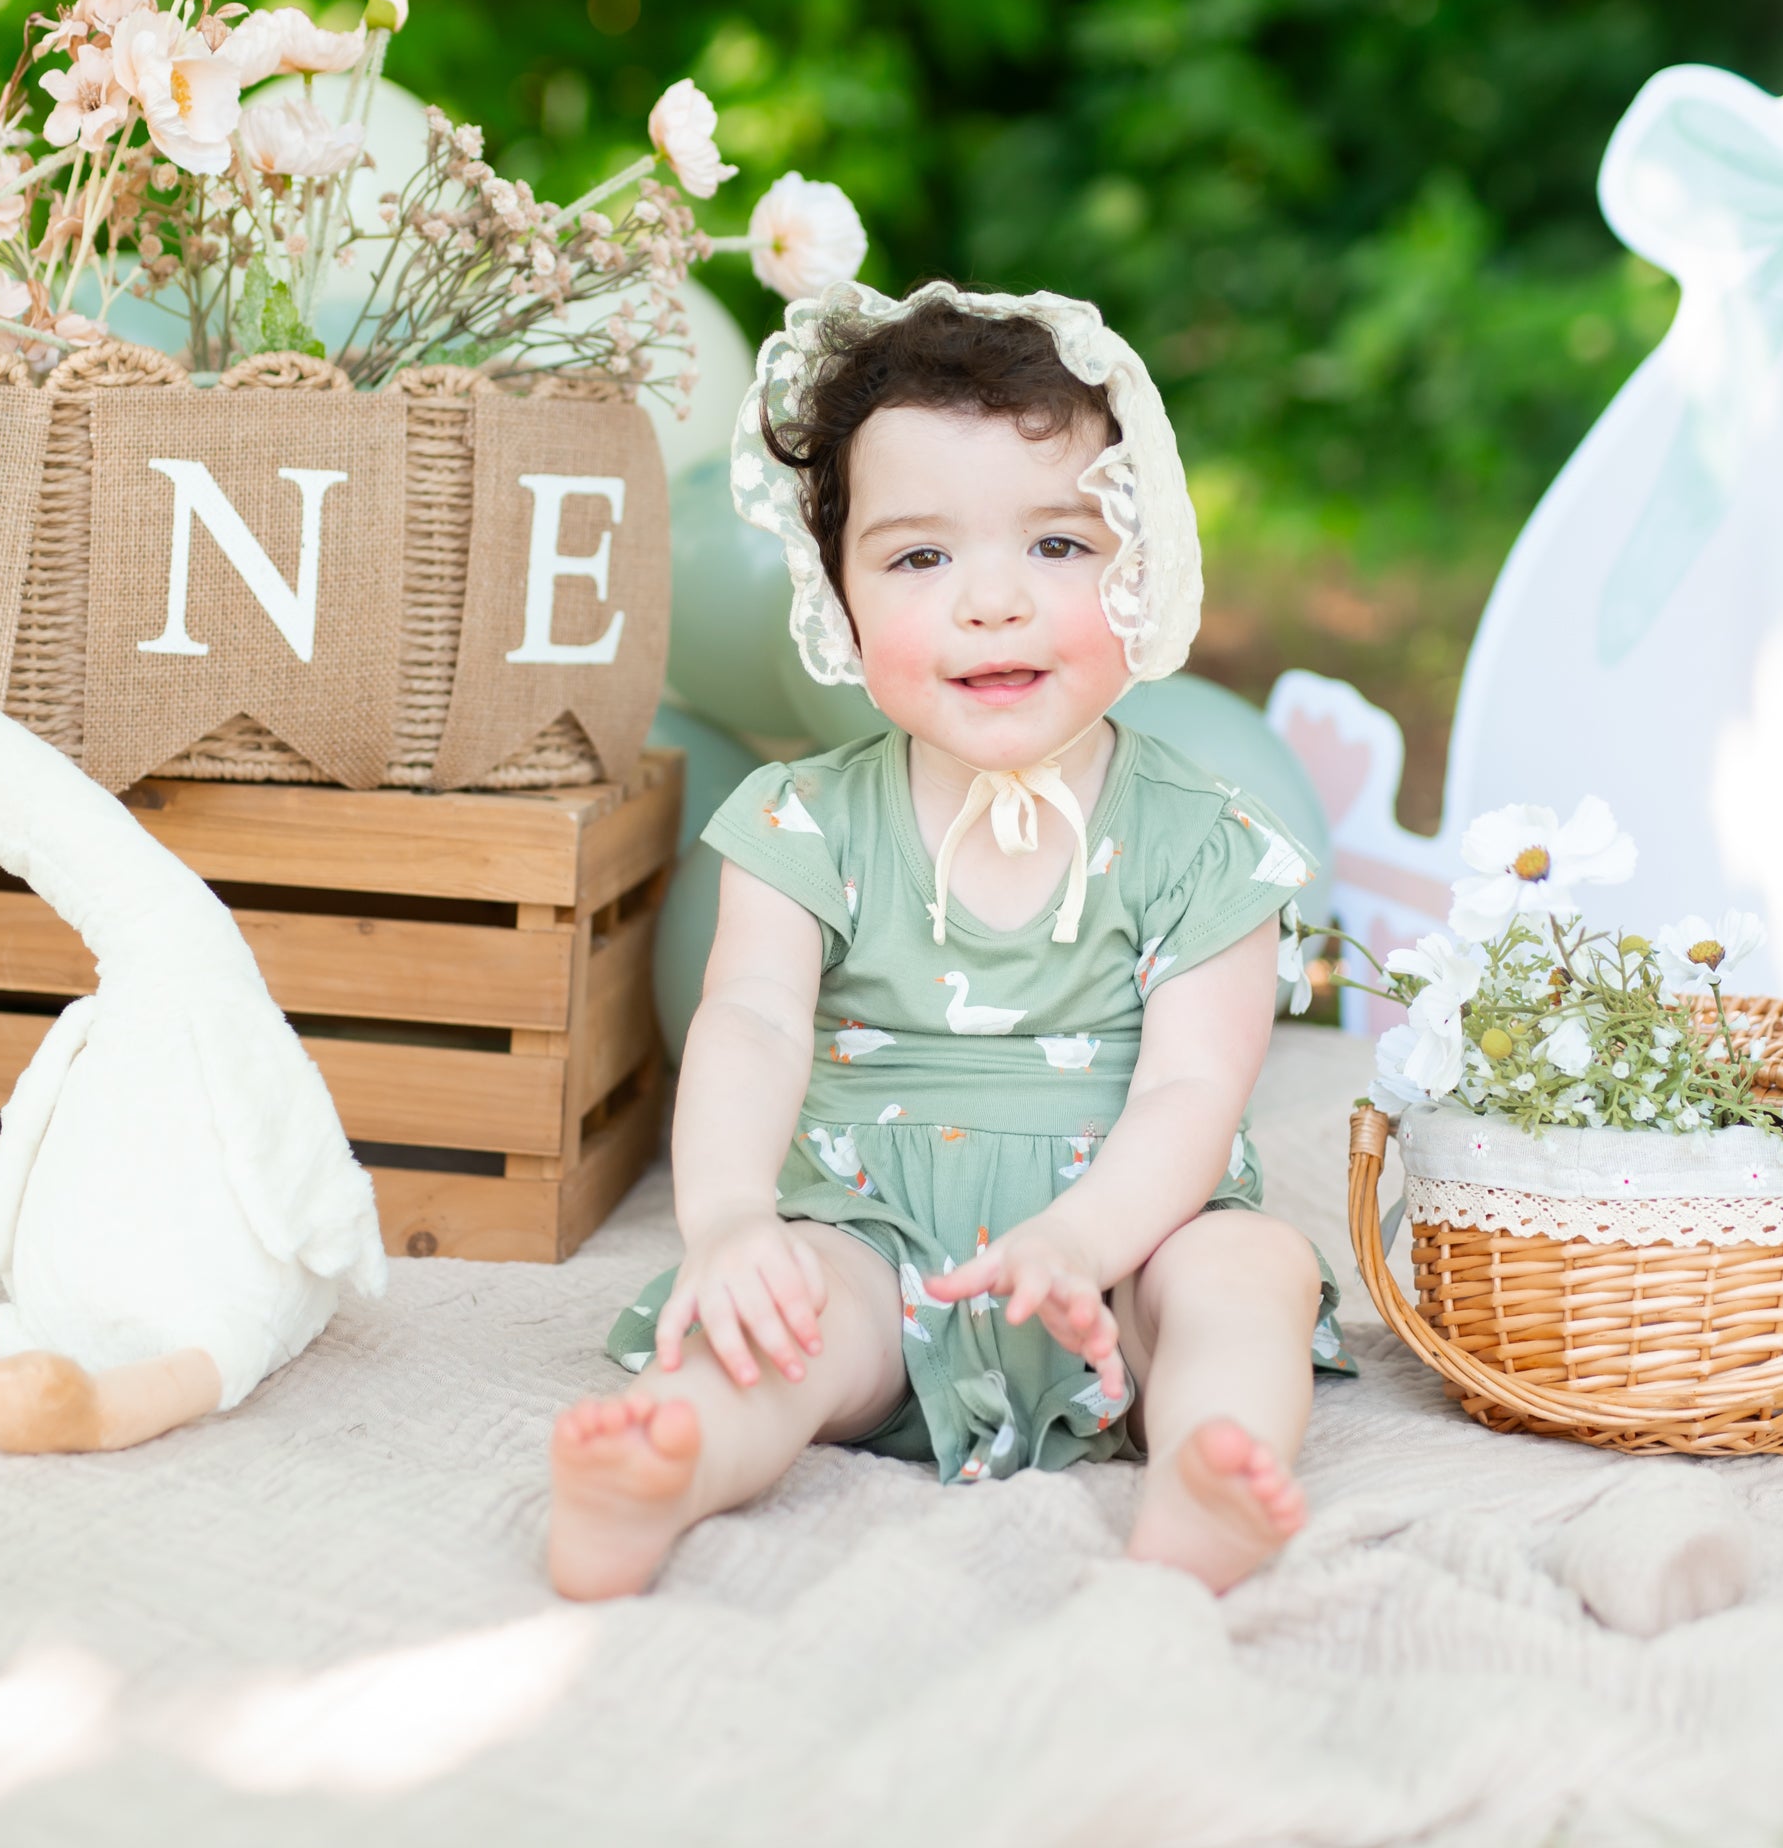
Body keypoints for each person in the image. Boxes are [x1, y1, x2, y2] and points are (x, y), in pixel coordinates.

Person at [548, 282, 1345, 1600]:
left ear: (1145, 568)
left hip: (1120, 1265)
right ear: (840, 596)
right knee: (782, 1313)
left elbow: (1198, 1090)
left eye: (1058, 547)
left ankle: (1215, 1457)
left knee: (1250, 1266)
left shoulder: (1208, 837)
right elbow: (743, 1023)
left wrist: (1088, 1244)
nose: (992, 603)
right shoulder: (803, 819)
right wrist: (737, 1218)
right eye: (920, 557)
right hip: (874, 1243)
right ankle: (665, 1471)